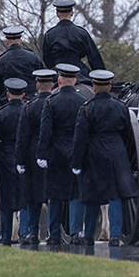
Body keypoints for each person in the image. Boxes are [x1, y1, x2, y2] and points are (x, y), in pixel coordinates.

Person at [71, 69, 139, 246]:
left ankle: (88, 235)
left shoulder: (86, 108)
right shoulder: (121, 107)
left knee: (92, 196)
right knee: (115, 195)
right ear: (109, 87)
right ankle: (115, 235)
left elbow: (80, 137)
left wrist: (77, 161)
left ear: (94, 87)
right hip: (116, 152)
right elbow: (128, 135)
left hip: (94, 153)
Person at [37, 63, 88, 245]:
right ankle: (75, 232)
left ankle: (54, 234)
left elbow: (46, 131)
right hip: (76, 152)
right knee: (75, 194)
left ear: (58, 80)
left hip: (56, 152)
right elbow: (84, 131)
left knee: (55, 195)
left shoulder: (51, 102)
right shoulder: (83, 101)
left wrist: (42, 154)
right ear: (74, 80)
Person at [15, 68, 57, 245]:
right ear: (53, 85)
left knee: (32, 196)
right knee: (53, 196)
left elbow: (22, 137)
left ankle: (33, 232)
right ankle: (53, 232)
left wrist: (20, 160)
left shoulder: (28, 107)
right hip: (53, 153)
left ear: (37, 84)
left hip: (33, 155)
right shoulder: (55, 103)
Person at [0, 78, 28, 246]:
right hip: (24, 159)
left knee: (5, 200)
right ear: (23, 94)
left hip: (5, 159)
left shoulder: (0, 113)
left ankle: (5, 236)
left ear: (8, 94)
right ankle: (24, 232)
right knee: (24, 199)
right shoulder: (28, 111)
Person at [41, 0, 105, 84]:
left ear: (57, 14)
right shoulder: (82, 33)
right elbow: (94, 57)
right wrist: (102, 77)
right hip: (80, 74)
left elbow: (46, 58)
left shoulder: (49, 35)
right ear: (72, 13)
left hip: (57, 74)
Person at [0, 25, 45, 100]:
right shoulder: (33, 57)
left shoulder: (1, 60)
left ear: (7, 42)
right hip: (32, 98)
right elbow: (42, 75)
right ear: (20, 41)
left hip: (8, 100)